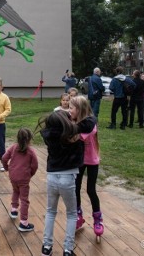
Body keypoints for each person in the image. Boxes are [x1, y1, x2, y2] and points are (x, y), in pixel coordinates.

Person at [37, 109, 88, 256]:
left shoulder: (49, 137)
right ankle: (68, 249)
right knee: (72, 214)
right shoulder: (74, 139)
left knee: (50, 211)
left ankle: (46, 247)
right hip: (68, 178)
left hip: (52, 177)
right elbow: (80, 160)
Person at [68, 96, 103, 236]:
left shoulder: (90, 124)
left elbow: (75, 137)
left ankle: (97, 219)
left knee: (90, 190)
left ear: (80, 109)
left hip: (92, 160)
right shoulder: (74, 121)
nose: (69, 110)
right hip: (80, 161)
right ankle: (78, 215)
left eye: (71, 108)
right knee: (75, 188)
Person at [1, 127, 38, 232]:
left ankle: (13, 210)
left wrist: (7, 167)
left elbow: (4, 158)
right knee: (24, 199)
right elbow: (35, 165)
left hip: (13, 176)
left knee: (15, 191)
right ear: (29, 139)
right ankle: (23, 223)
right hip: (24, 178)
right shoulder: (30, 151)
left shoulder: (13, 147)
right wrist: (30, 174)